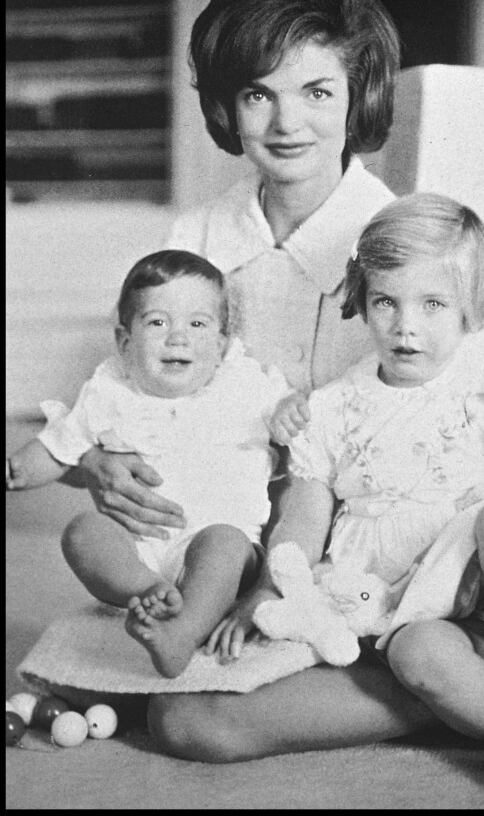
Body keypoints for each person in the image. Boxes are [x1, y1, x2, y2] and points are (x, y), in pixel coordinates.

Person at [51, 0, 484, 789]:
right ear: (226, 107)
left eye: (318, 91)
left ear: (357, 94)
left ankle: (483, 690)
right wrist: (96, 462)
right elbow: (129, 388)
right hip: (275, 560)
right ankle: (441, 686)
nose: (288, 121)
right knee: (184, 720)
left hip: (424, 556)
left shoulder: (413, 250)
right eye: (258, 94)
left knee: (220, 704)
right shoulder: (203, 235)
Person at [237, 193, 484, 809]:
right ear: (362, 300)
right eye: (386, 300)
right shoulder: (332, 409)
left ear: (472, 310)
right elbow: (303, 521)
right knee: (419, 655)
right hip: (401, 616)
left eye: (433, 304)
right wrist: (269, 585)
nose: (405, 325)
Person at [6, 249, 291, 678]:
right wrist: (16, 471)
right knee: (84, 532)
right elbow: (56, 447)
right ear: (125, 342)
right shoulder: (108, 392)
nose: (178, 337)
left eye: (197, 324)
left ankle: (182, 631)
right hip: (141, 550)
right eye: (158, 322)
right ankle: (151, 592)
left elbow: (293, 432)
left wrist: (290, 412)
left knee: (224, 543)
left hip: (223, 551)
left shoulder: (245, 384)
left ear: (221, 344)